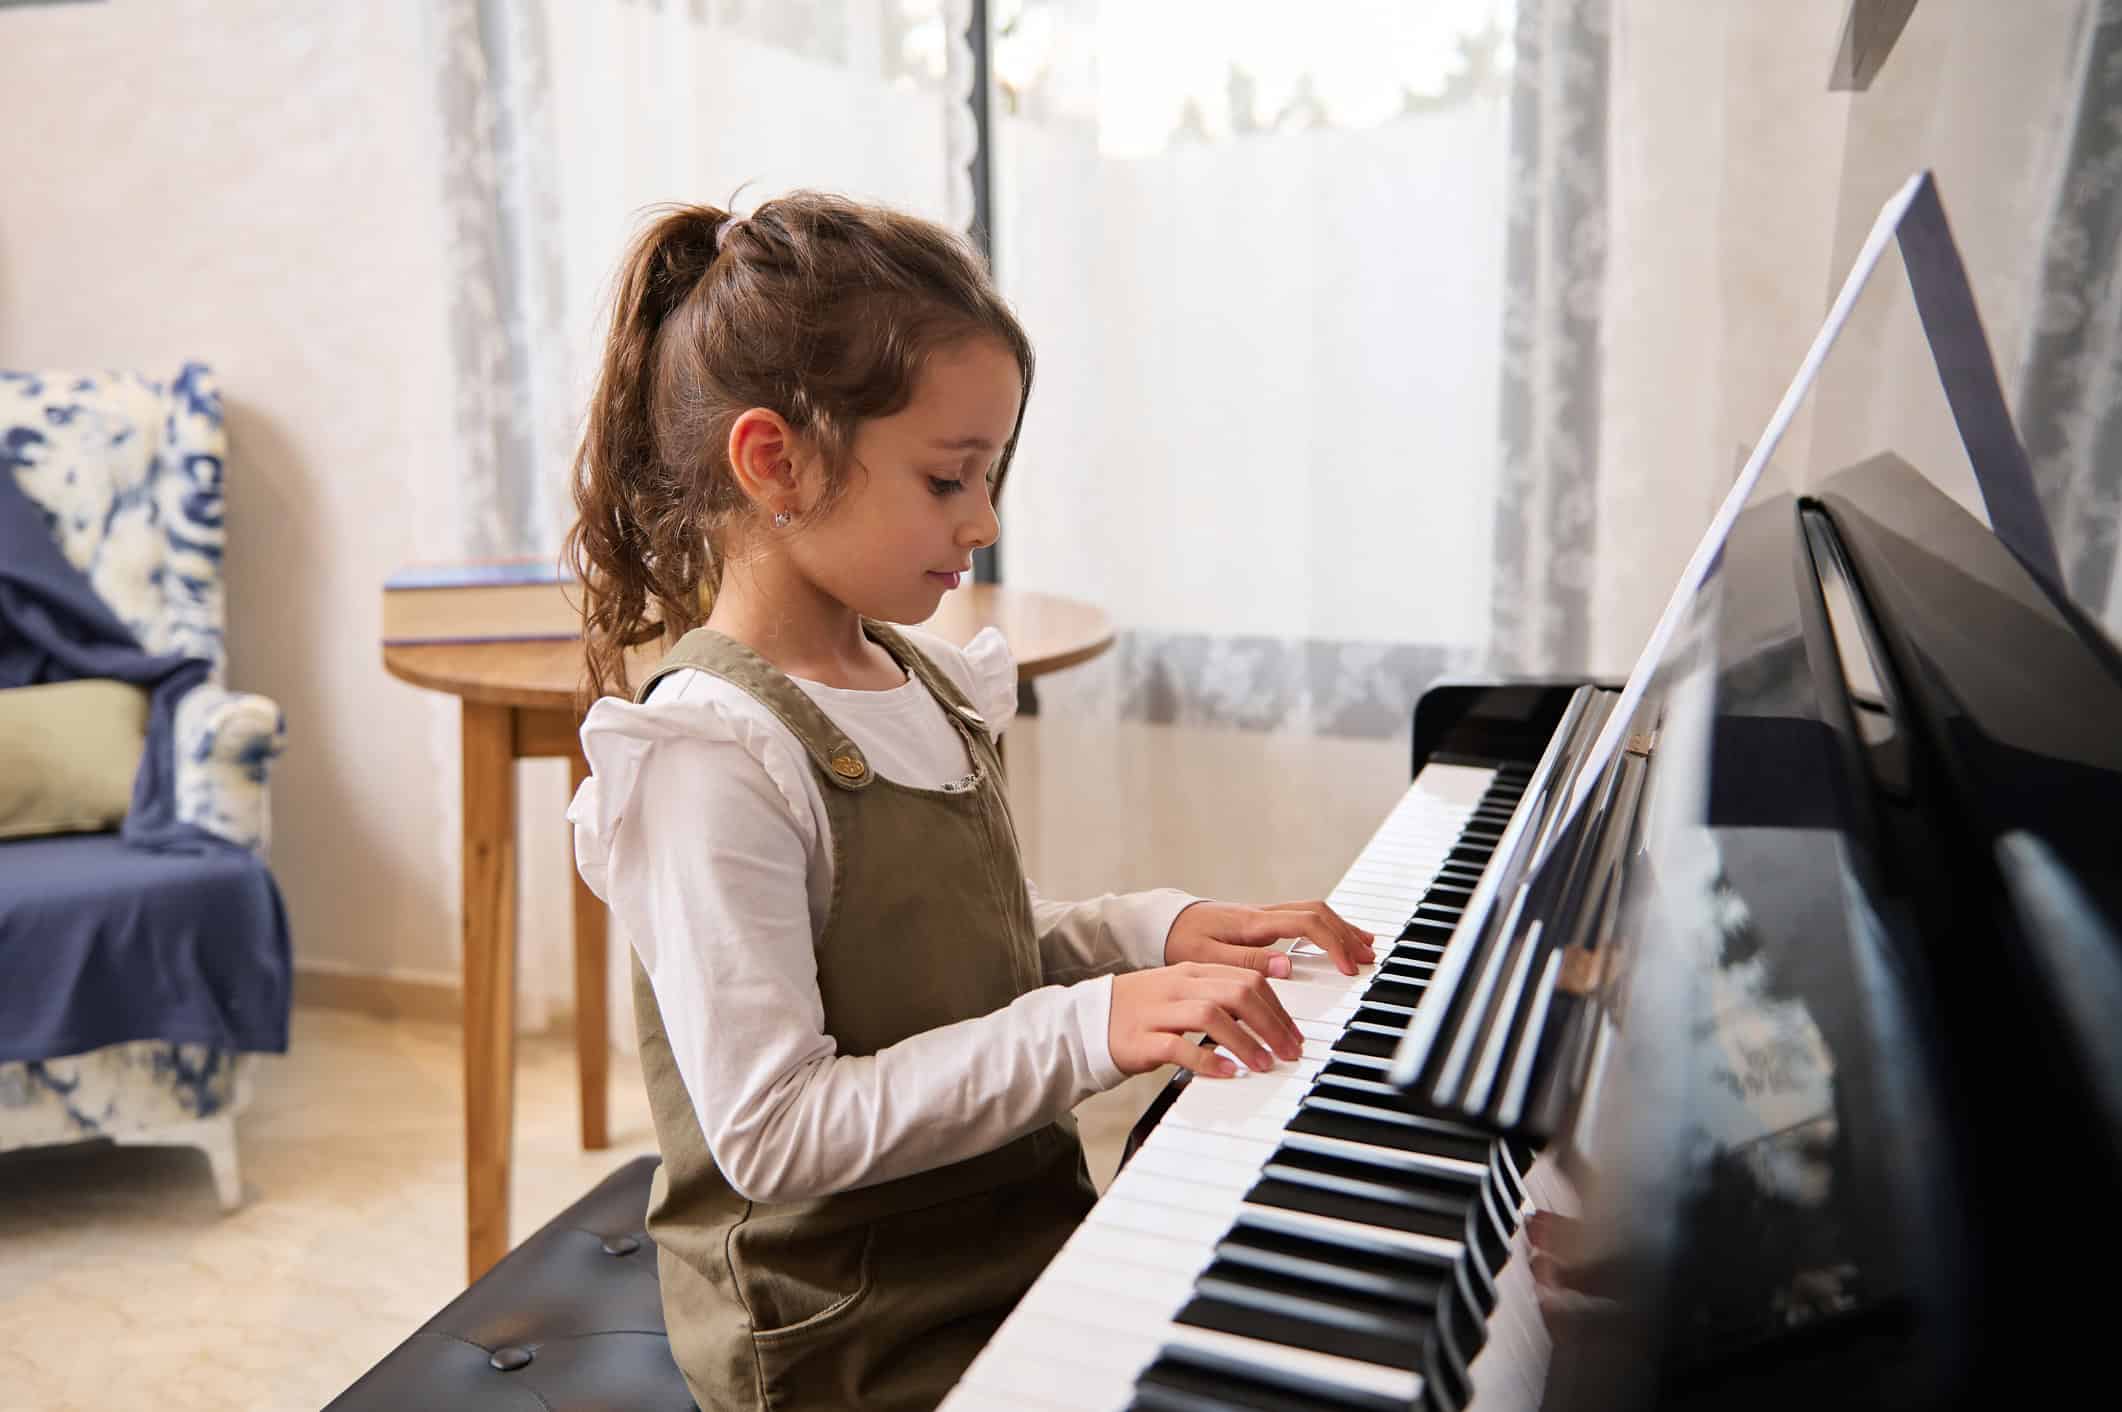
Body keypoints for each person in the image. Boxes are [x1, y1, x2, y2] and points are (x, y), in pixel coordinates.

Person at [563, 191, 1376, 1411]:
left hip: (1009, 1248)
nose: (983, 521)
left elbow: (943, 951)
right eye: (950, 478)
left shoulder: (919, 681)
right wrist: (1090, 1023)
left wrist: (1150, 932)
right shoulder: (708, 755)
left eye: (988, 476)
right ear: (774, 459)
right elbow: (775, 1130)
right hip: (844, 1328)